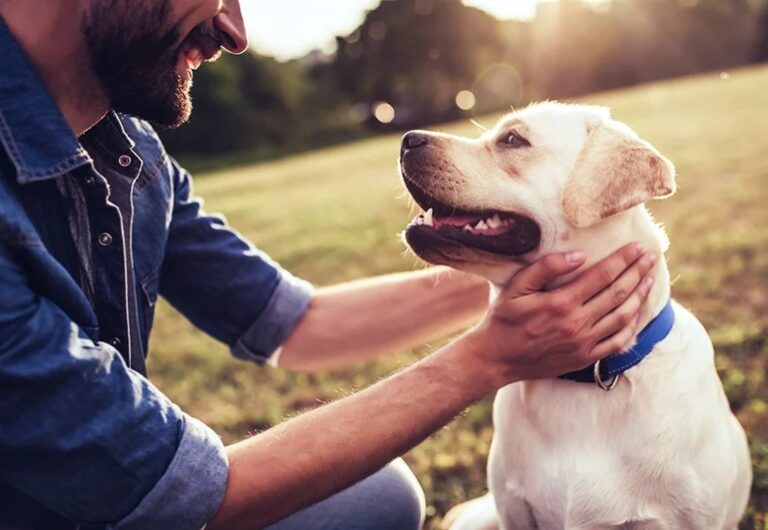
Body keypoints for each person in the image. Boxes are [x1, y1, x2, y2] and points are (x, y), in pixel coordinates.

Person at [0, 1, 657, 529]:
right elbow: (174, 496)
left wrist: (538, 266)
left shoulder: (131, 156)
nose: (235, 30)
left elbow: (297, 323)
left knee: (378, 498)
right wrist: (491, 356)